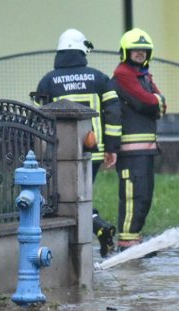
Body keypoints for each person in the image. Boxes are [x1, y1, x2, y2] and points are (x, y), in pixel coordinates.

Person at [33, 28, 121, 257]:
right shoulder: (99, 78)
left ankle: (75, 249)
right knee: (79, 196)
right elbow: (113, 113)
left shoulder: (48, 82)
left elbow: (38, 121)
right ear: (83, 50)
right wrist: (111, 148)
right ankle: (97, 229)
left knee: (64, 199)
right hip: (92, 152)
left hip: (57, 154)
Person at [110, 28, 166, 251]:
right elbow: (147, 102)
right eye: (136, 50)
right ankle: (127, 243)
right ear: (126, 52)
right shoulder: (123, 75)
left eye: (144, 50)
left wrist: (156, 101)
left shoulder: (143, 75)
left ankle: (135, 239)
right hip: (130, 151)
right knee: (133, 197)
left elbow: (160, 104)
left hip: (145, 150)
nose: (140, 53)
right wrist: (156, 101)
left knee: (144, 196)